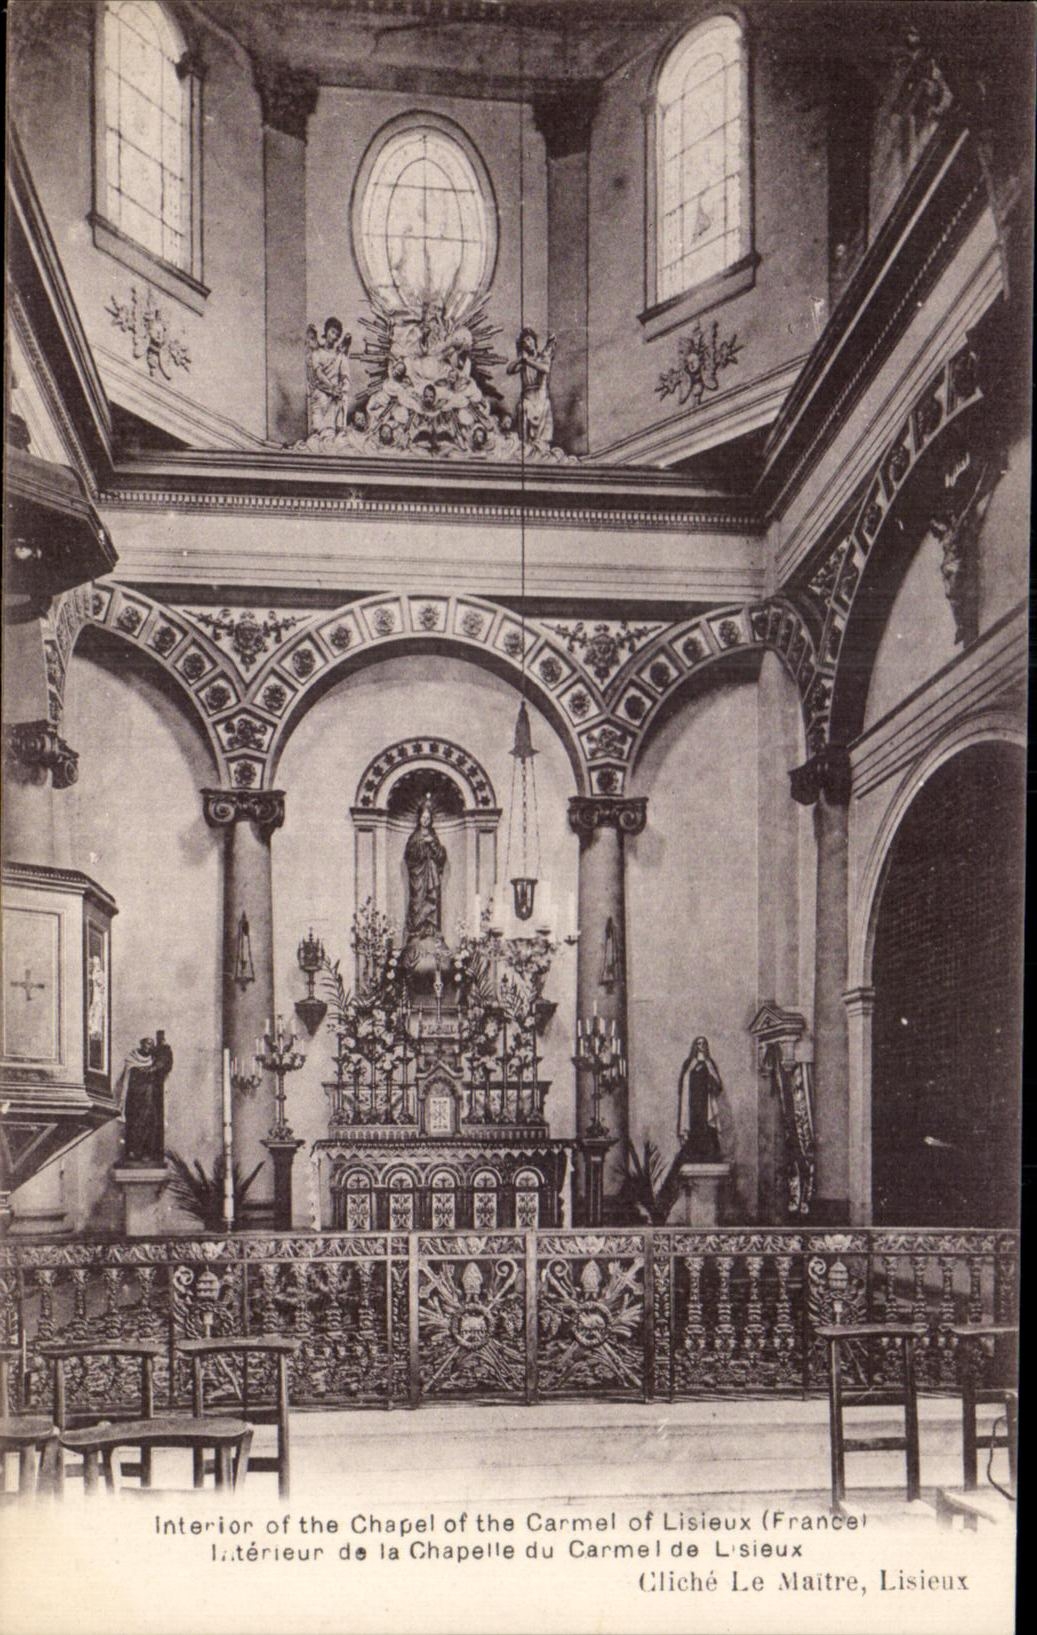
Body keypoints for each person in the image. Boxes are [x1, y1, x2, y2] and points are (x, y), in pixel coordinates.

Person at [120, 1031, 174, 1165]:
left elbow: (166, 1062)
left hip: (149, 1102)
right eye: (146, 1043)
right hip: (135, 1102)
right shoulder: (132, 1058)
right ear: (141, 1043)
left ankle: (146, 1152)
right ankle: (133, 1151)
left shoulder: (155, 1061)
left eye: (151, 1044)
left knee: (150, 1124)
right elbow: (127, 1081)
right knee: (134, 1125)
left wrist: (164, 1046)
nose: (148, 1046)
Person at [403, 795, 447, 943]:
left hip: (432, 874)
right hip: (418, 876)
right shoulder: (414, 837)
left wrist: (433, 845)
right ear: (419, 818)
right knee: (417, 902)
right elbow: (408, 856)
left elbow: (441, 856)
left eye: (428, 818)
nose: (425, 820)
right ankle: (416, 932)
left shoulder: (434, 836)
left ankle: (431, 929)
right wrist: (422, 845)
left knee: (433, 899)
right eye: (423, 817)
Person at [507, 327, 557, 449]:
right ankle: (526, 445)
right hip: (528, 399)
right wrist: (520, 360)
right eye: (524, 342)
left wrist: (528, 361)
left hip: (541, 399)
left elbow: (545, 369)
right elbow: (510, 370)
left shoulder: (543, 357)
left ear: (534, 340)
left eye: (529, 339)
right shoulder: (524, 362)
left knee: (541, 438)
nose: (527, 343)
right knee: (523, 408)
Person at [676, 1035, 723, 1162]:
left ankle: (710, 1155)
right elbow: (683, 1083)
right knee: (694, 1128)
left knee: (707, 1128)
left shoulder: (710, 1063)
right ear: (695, 1046)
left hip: (705, 1103)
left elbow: (718, 1085)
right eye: (698, 1043)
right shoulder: (689, 1063)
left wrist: (711, 1084)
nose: (701, 1046)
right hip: (692, 1103)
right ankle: (693, 1154)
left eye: (703, 1044)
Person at [306, 317, 351, 434]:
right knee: (318, 428)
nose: (334, 336)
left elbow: (344, 376)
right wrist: (331, 388)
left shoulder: (340, 356)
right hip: (321, 391)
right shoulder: (317, 353)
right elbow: (318, 373)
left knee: (333, 426)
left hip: (336, 395)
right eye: (332, 332)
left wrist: (340, 390)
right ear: (326, 331)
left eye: (337, 335)